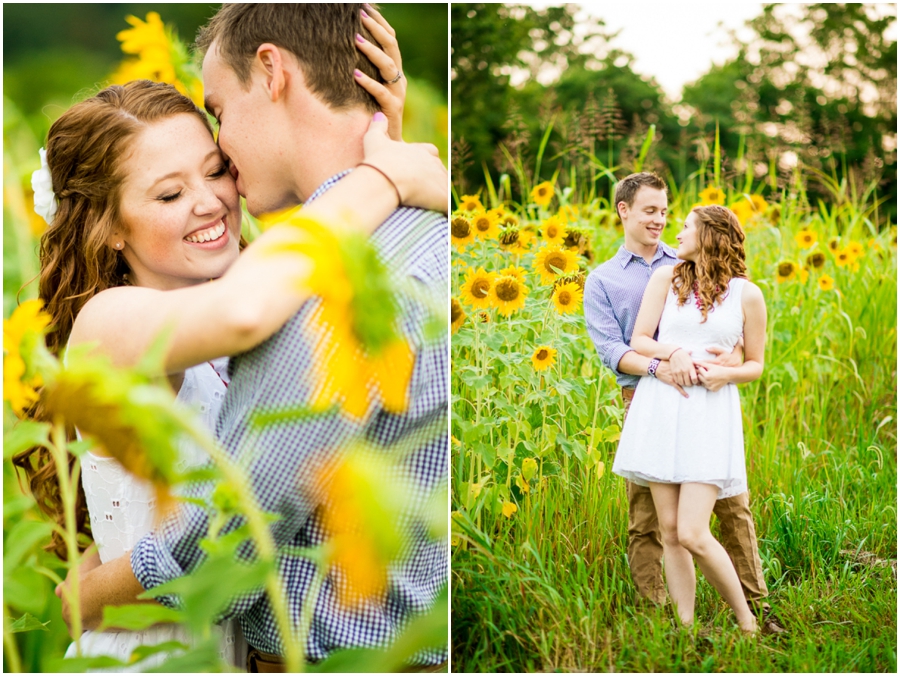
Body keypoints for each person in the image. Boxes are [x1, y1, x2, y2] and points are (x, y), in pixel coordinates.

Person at [14, 6, 446, 671]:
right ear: (111, 229)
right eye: (166, 196)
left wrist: (375, 139)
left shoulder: (254, 290)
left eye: (215, 168)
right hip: (153, 653)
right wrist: (389, 172)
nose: (213, 200)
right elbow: (247, 309)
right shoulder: (111, 324)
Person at [583, 172, 783, 634]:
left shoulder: (693, 269)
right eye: (651, 211)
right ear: (625, 211)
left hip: (708, 408)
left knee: (731, 514)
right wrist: (664, 361)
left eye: (668, 213)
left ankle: (754, 612)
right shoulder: (611, 280)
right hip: (649, 403)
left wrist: (729, 362)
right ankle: (673, 621)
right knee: (653, 522)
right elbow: (619, 348)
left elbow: (741, 345)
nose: (663, 221)